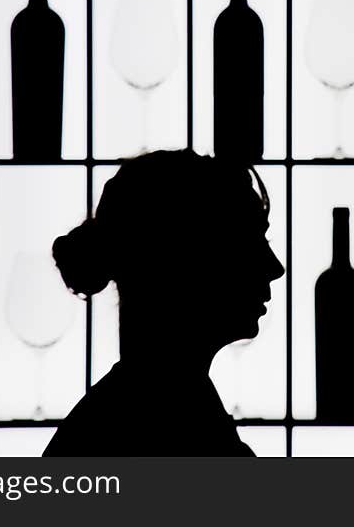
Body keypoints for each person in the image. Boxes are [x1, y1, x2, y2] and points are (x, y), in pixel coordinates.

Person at [43, 149, 284, 456]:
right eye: (249, 242)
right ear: (185, 258)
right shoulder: (182, 425)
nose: (275, 267)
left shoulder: (113, 420)